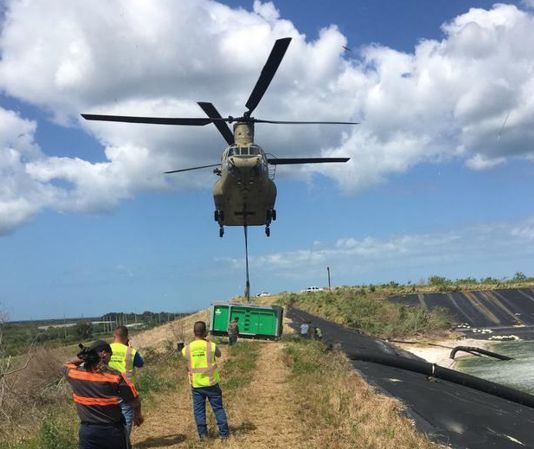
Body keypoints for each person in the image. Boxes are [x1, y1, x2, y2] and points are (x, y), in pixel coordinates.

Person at [63, 340, 143, 449]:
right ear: (104, 353)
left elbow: (66, 365)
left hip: (88, 432)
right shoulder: (114, 376)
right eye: (110, 355)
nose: (110, 358)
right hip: (112, 432)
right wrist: (138, 415)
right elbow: (134, 400)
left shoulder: (75, 374)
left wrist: (82, 358)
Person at [182, 321, 229, 440]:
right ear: (205, 333)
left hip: (196, 385)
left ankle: (203, 435)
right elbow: (219, 354)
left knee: (199, 410)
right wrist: (208, 343)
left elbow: (187, 362)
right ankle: (224, 434)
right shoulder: (211, 346)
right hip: (212, 383)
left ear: (194, 332)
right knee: (218, 408)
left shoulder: (187, 349)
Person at [109, 325, 144, 440]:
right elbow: (140, 363)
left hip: (107, 390)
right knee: (126, 420)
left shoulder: (105, 350)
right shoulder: (131, 352)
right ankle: (122, 443)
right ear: (126, 337)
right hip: (126, 391)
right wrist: (129, 348)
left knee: (110, 420)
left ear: (114, 336)